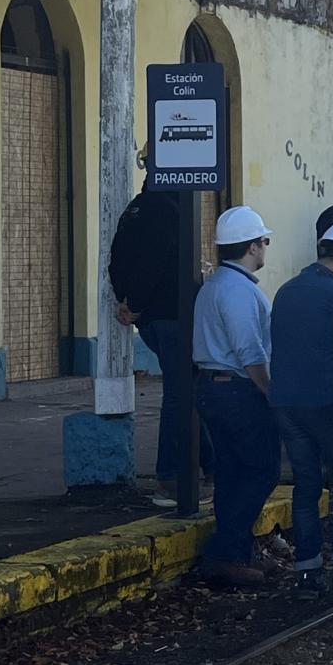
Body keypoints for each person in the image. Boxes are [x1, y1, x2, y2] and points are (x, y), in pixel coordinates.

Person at [269, 223, 333, 600]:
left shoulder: (285, 291)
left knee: (307, 483)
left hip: (285, 402)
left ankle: (307, 572)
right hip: (327, 400)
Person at [109, 177, 214, 508]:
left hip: (154, 318)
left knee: (189, 392)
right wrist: (135, 303)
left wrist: (129, 303)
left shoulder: (137, 208)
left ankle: (214, 466)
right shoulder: (167, 211)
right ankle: (169, 478)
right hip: (171, 315)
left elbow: (117, 261)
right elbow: (152, 264)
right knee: (181, 394)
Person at [190, 206, 280, 588]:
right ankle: (225, 552)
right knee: (262, 470)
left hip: (213, 387)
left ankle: (237, 553)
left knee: (231, 472)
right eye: (264, 241)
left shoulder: (215, 285)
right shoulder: (239, 292)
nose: (265, 248)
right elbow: (251, 353)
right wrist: (272, 394)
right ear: (252, 246)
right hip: (238, 390)